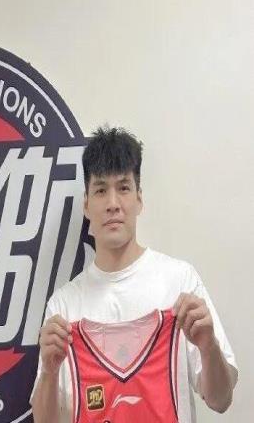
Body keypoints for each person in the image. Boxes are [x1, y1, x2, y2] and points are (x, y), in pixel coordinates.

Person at [30, 127, 237, 423]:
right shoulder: (64, 308)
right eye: (101, 190)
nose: (113, 203)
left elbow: (220, 400)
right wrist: (50, 372)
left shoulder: (180, 284)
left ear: (139, 198)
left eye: (124, 188)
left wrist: (208, 345)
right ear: (86, 204)